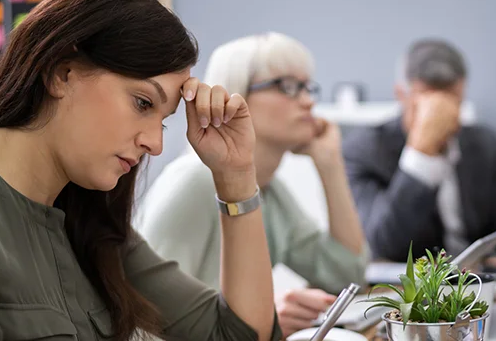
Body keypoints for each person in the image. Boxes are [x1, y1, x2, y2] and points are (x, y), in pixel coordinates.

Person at [0, 0, 279, 341]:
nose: (155, 144)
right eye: (142, 103)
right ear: (61, 74)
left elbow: (239, 335)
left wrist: (236, 174)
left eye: (163, 121)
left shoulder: (91, 226)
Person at [136, 32, 368, 338]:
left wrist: (331, 165)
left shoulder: (271, 190)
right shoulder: (194, 181)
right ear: (236, 95)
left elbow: (346, 273)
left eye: (307, 87)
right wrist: (261, 317)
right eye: (287, 86)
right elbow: (148, 318)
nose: (308, 101)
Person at [344, 38, 496, 264]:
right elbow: (384, 245)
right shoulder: (366, 150)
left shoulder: (483, 144)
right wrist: (422, 153)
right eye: (429, 102)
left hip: (474, 278)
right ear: (401, 95)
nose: (442, 113)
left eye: (452, 101)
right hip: (410, 282)